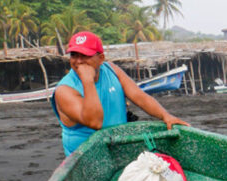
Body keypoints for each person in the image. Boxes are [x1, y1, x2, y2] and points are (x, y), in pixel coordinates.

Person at [51, 31, 188, 156]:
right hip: (86, 157)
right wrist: (88, 81)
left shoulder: (111, 70)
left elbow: (139, 96)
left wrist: (166, 116)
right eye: (74, 55)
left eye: (85, 55)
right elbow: (94, 122)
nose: (78, 61)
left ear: (101, 58)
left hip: (117, 147)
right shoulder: (64, 90)